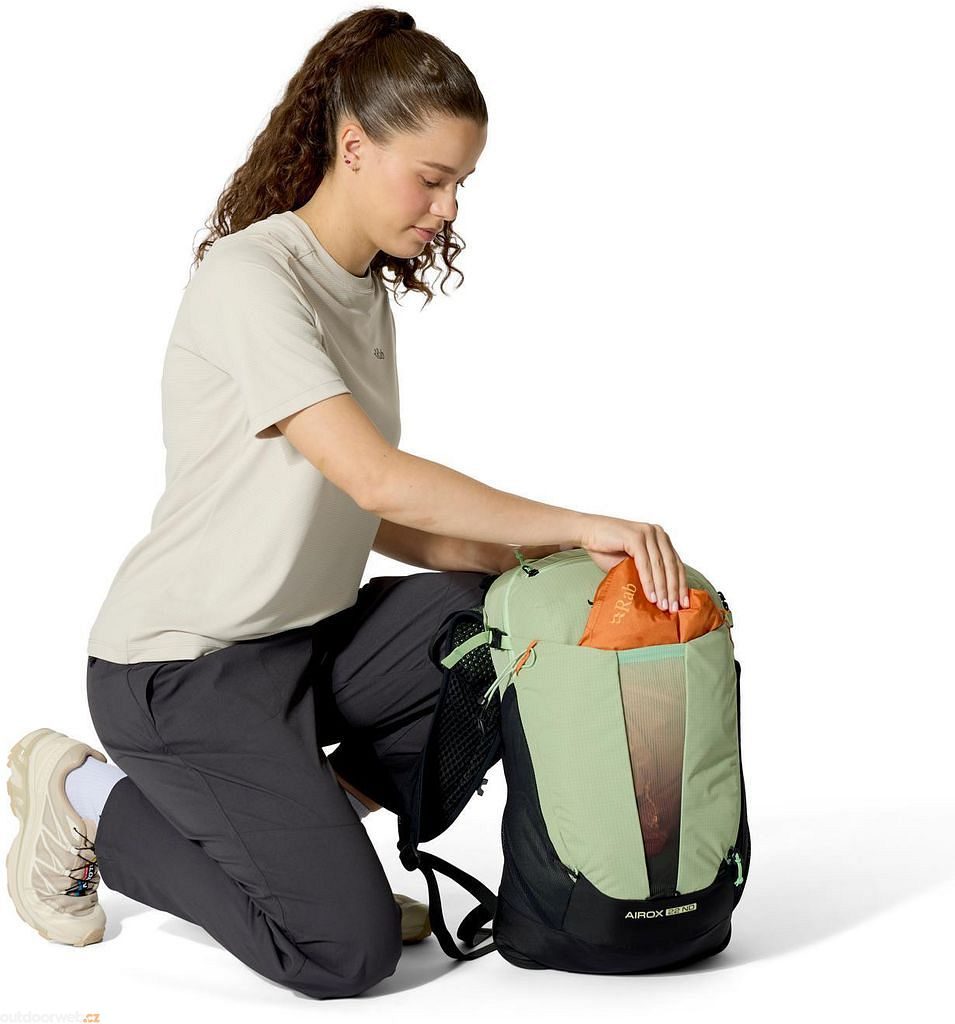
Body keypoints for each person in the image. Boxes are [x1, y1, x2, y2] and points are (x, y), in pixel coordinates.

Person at [5, 6, 688, 1000]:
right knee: (345, 952)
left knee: (494, 624)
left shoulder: (361, 292)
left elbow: (361, 513)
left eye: (461, 184)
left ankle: (302, 859)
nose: (447, 208)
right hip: (180, 670)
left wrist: (540, 565)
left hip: (300, 646)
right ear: (354, 146)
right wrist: (582, 521)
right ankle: (85, 795)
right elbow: (373, 476)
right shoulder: (251, 278)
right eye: (433, 178)